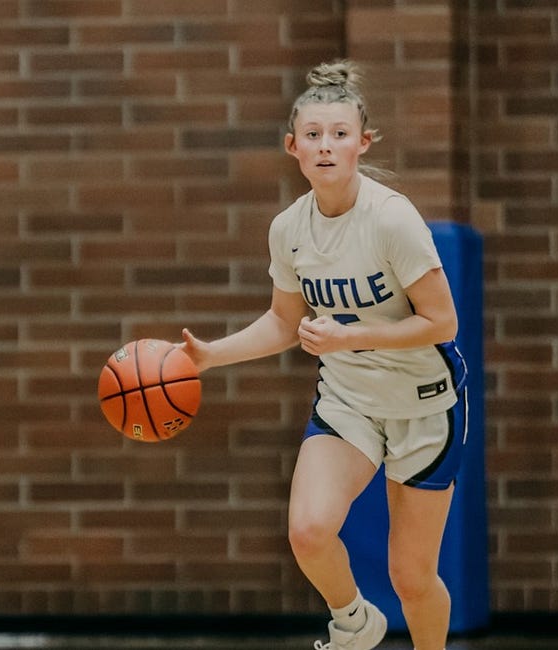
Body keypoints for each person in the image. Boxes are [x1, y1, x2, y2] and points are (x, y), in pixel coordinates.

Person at [179, 59, 468, 650]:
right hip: (349, 402)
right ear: (293, 147)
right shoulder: (288, 229)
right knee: (309, 531)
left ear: (363, 143)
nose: (326, 146)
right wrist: (211, 356)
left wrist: (351, 336)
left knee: (411, 578)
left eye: (339, 134)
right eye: (313, 135)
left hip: (423, 403)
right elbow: (285, 322)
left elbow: (443, 321)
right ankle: (355, 623)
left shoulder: (392, 219)